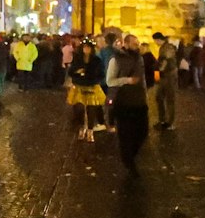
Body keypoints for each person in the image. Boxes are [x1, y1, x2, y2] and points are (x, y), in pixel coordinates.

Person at [107, 34, 151, 173]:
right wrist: (127, 80)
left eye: (137, 44)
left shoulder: (139, 58)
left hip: (139, 101)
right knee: (125, 134)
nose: (137, 46)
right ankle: (128, 161)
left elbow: (142, 79)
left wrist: (145, 95)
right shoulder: (115, 59)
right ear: (125, 44)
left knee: (143, 131)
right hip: (123, 101)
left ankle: (130, 155)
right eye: (134, 44)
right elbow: (110, 81)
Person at [66, 36, 105, 141]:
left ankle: (90, 130)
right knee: (79, 108)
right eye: (85, 47)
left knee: (91, 109)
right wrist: (77, 73)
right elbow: (70, 72)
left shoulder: (97, 60)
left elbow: (102, 74)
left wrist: (94, 78)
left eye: (88, 48)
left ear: (92, 49)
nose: (86, 49)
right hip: (79, 86)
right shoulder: (78, 59)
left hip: (91, 86)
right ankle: (81, 128)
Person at [151, 32, 179, 131]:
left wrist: (158, 75)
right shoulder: (163, 47)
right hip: (164, 76)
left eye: (155, 41)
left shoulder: (167, 47)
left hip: (169, 76)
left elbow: (163, 63)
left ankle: (170, 123)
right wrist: (157, 77)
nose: (155, 43)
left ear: (158, 39)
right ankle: (162, 120)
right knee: (159, 97)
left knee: (169, 99)